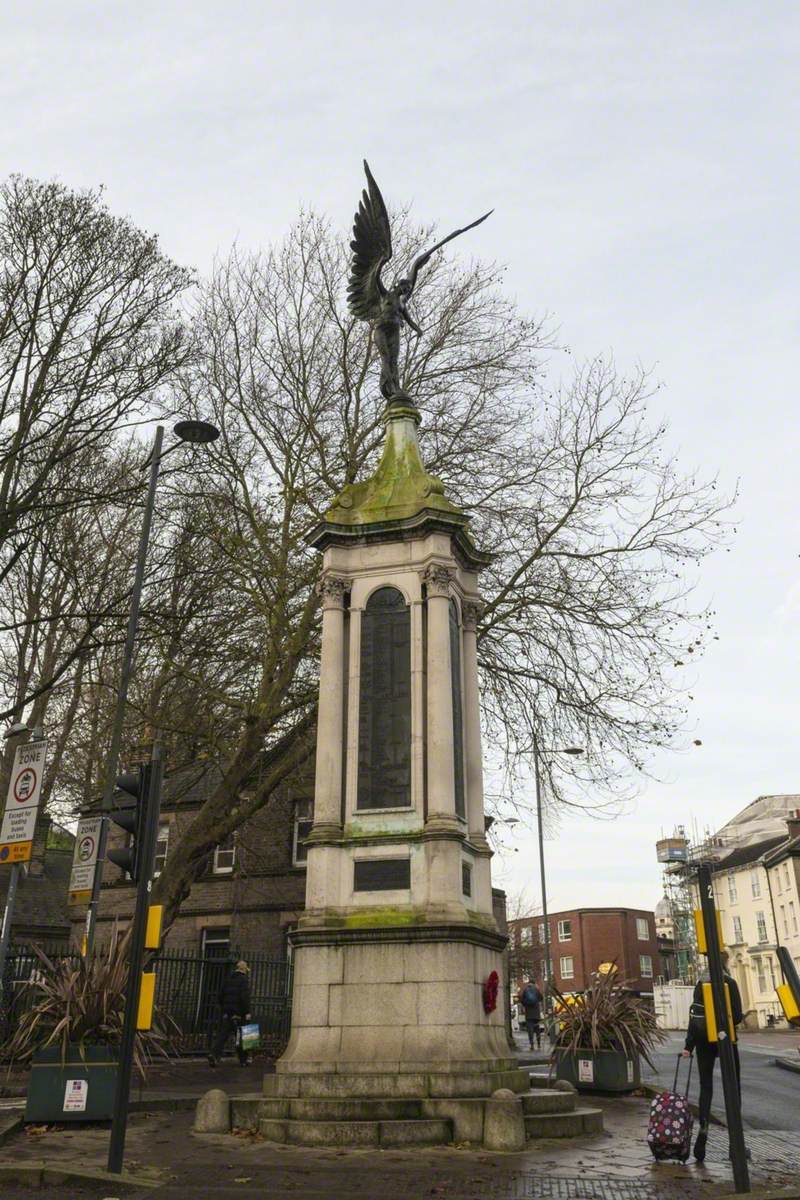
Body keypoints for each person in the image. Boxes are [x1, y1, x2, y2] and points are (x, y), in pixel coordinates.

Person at [682, 951, 743, 1163]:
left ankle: (703, 1133)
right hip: (726, 1040)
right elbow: (736, 1015)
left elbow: (694, 1016)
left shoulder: (700, 984)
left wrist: (688, 1046)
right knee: (733, 1088)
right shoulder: (730, 983)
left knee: (706, 1086)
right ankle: (735, 1144)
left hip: (702, 1041)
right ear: (725, 963)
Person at [208, 960, 252, 1067]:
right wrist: (247, 1012)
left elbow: (220, 996)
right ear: (243, 969)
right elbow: (244, 997)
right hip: (239, 1013)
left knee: (222, 1036)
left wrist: (225, 1010)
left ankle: (214, 1054)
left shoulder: (227, 979)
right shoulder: (243, 980)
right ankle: (243, 1060)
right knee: (245, 1036)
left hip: (228, 1013)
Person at [517, 979, 543, 1050]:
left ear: (528, 983)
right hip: (536, 1014)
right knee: (537, 1029)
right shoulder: (536, 990)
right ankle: (539, 1044)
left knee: (530, 1030)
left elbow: (522, 1000)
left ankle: (532, 1045)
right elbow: (541, 998)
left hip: (528, 1014)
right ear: (534, 983)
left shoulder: (525, 990)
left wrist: (526, 1005)